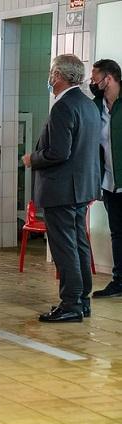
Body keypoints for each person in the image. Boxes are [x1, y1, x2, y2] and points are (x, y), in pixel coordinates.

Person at [22, 54, 101, 322]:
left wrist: (32, 158)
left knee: (65, 247)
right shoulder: (88, 105)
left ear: (58, 76)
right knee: (79, 245)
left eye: (51, 72)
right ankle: (82, 300)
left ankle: (70, 304)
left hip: (62, 190)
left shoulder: (63, 107)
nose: (49, 77)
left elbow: (58, 153)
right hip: (81, 189)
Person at [89, 59, 122, 298]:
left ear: (108, 79)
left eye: (95, 79)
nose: (92, 83)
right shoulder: (96, 106)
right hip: (110, 182)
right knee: (118, 232)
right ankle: (119, 281)